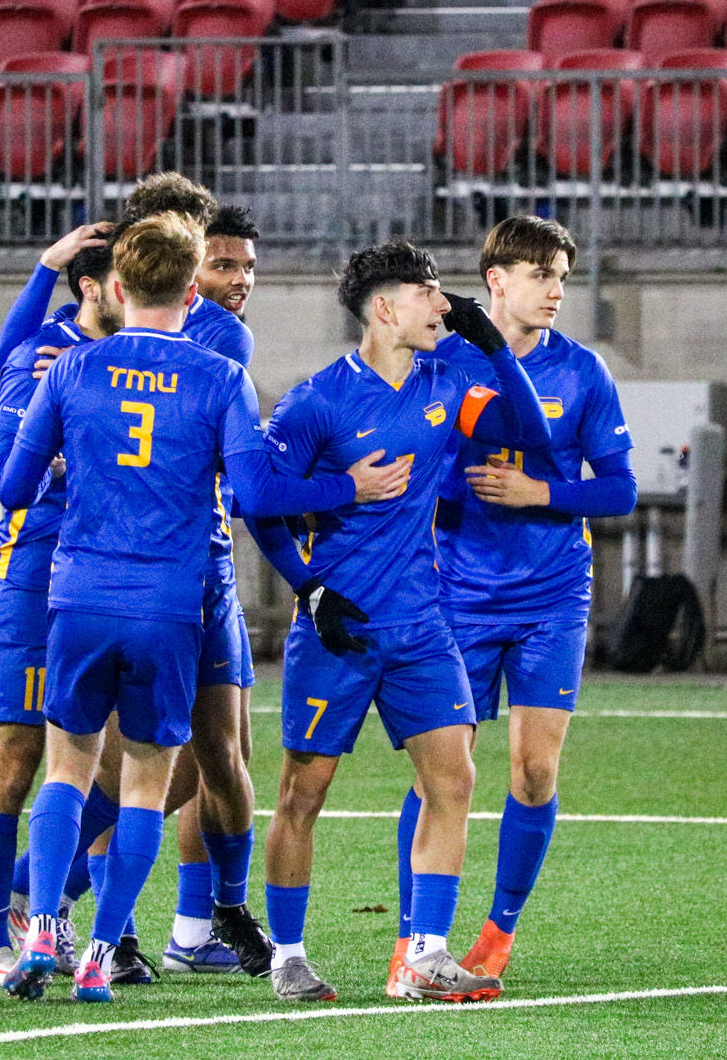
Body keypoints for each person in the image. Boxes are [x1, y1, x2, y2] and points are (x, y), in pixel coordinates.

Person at [0, 214, 407, 1004]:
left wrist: (59, 461)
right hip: (169, 605)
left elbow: (12, 488)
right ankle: (102, 953)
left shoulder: (71, 369)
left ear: (116, 288)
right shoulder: (221, 378)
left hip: (79, 595)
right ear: (192, 292)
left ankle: (42, 923)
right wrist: (345, 488)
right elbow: (254, 495)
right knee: (151, 782)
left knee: (69, 769)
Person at [245, 240, 554, 1005]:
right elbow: (259, 500)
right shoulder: (317, 400)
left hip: (421, 625)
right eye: (428, 293)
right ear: (386, 308)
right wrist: (309, 587)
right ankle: (288, 953)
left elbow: (535, 440)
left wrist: (496, 351)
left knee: (454, 777)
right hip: (338, 626)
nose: (442, 305)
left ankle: (426, 953)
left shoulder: (447, 385)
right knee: (301, 794)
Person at [393, 216, 637, 989]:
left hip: (553, 594)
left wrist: (543, 492)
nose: (557, 289)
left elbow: (621, 487)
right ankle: (415, 940)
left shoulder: (584, 372)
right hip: (458, 594)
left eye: (562, 275)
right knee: (441, 773)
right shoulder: (445, 363)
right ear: (496, 280)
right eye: (542, 274)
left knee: (533, 770)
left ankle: (497, 932)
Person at [0, 224, 119, 988]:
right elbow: (2, 469)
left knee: (147, 767)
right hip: (33, 575)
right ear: (92, 287)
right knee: (17, 759)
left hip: (112, 579)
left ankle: (36, 890)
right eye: (125, 277)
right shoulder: (43, 357)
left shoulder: (144, 356)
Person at [164, 200, 264, 974]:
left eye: (248, 267)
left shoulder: (85, 336)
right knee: (167, 758)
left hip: (131, 566)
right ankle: (49, 890)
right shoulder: (222, 342)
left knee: (206, 758)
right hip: (181, 572)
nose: (240, 281)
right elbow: (253, 480)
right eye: (223, 264)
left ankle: (188, 931)